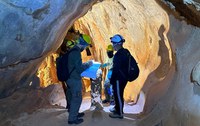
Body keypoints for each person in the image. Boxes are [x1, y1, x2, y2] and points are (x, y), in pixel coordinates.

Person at [66, 34, 93, 124]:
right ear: (83, 43)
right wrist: (88, 64)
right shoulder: (76, 52)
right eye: (85, 46)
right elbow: (79, 69)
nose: (85, 48)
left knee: (72, 96)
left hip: (69, 77)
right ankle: (72, 119)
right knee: (77, 97)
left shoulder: (72, 50)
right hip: (74, 79)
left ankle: (74, 113)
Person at [109, 34, 130, 119]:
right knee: (118, 93)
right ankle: (117, 108)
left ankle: (119, 113)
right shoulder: (126, 51)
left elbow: (116, 69)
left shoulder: (118, 55)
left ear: (117, 44)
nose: (112, 45)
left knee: (118, 94)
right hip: (124, 77)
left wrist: (112, 80)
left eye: (113, 43)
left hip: (119, 78)